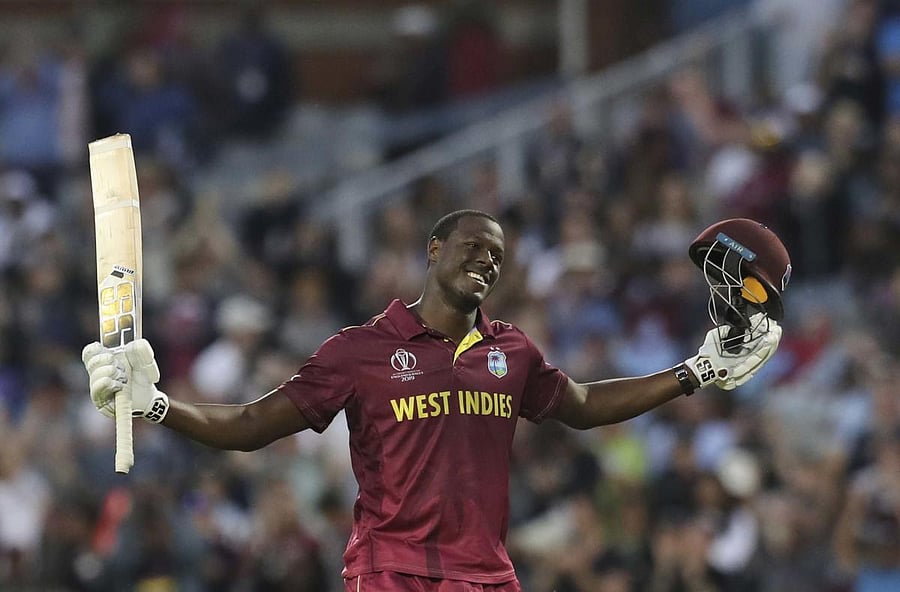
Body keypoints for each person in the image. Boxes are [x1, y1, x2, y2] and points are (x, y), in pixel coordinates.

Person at [82, 210, 786, 591]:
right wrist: (156, 406)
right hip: (393, 571)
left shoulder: (510, 351)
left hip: (487, 574)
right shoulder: (357, 351)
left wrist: (693, 372)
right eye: (474, 247)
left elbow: (580, 404)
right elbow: (249, 425)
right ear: (433, 249)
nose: (486, 262)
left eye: (497, 258)